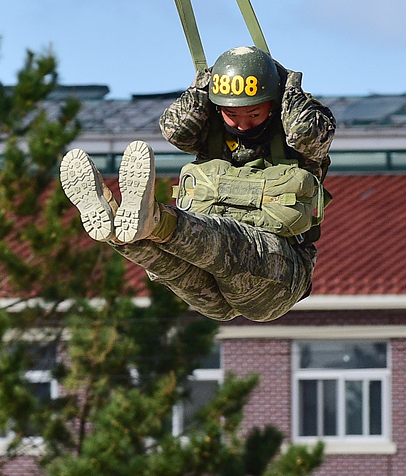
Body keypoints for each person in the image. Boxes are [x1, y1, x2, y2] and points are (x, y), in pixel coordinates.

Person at [60, 47, 336, 322]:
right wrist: (203, 83)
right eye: (231, 114)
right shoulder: (208, 131)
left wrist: (289, 86)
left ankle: (156, 220)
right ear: (217, 108)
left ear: (274, 105)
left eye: (253, 114)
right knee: (170, 264)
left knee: (225, 239)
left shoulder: (296, 140)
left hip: (276, 277)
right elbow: (174, 128)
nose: (241, 124)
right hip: (211, 283)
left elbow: (307, 134)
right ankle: (120, 232)